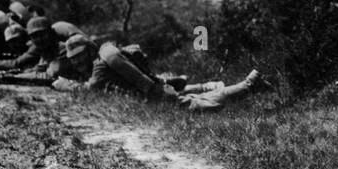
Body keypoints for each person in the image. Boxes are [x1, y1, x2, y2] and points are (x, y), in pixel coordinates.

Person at [52, 40, 265, 112]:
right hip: (153, 90)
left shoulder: (98, 69)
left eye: (80, 57)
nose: (78, 63)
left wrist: (63, 84)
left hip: (153, 95)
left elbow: (88, 89)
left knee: (197, 105)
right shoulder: (101, 61)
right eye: (74, 60)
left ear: (89, 51)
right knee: (194, 100)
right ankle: (246, 84)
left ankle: (249, 84)